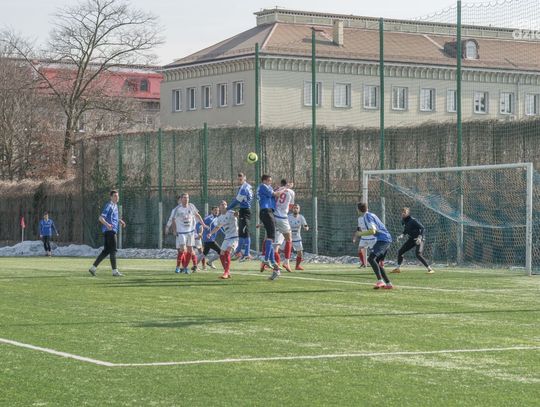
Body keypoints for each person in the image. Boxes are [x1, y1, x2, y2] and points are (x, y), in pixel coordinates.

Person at [165, 193, 207, 274]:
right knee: (182, 249)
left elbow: (197, 215)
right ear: (181, 199)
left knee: (190, 250)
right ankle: (178, 267)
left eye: (187, 197)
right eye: (184, 197)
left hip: (191, 232)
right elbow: (173, 219)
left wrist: (203, 225)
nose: (186, 199)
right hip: (181, 232)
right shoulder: (177, 209)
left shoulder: (191, 206)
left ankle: (185, 267)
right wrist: (174, 230)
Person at [355, 202, 394, 289]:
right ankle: (388, 284)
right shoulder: (371, 215)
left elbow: (373, 231)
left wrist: (360, 234)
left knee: (371, 259)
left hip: (383, 240)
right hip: (385, 239)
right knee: (376, 261)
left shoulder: (367, 216)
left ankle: (380, 281)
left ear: (358, 209)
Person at [88, 190, 126, 277]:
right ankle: (115, 271)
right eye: (115, 196)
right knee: (113, 250)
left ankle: (93, 268)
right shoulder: (109, 205)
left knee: (106, 251)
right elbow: (101, 218)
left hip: (108, 231)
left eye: (117, 196)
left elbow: (112, 218)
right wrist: (107, 224)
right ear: (111, 197)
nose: (117, 197)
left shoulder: (115, 206)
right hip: (110, 231)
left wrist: (120, 221)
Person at [392, 207, 434, 274]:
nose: (403, 213)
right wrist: (402, 235)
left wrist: (420, 237)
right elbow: (406, 230)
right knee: (400, 251)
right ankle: (397, 269)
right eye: (402, 212)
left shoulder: (413, 220)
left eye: (404, 212)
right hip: (411, 239)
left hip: (419, 239)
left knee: (418, 254)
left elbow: (422, 228)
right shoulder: (403, 221)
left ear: (408, 213)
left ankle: (430, 269)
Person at [257, 174, 283, 280]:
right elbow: (275, 194)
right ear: (264, 180)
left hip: (267, 213)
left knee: (270, 239)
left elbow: (273, 193)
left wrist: (277, 189)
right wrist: (286, 188)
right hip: (267, 212)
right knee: (271, 238)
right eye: (269, 180)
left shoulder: (266, 188)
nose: (270, 182)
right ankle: (267, 259)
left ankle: (272, 261)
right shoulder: (263, 186)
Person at [227, 173, 253, 261]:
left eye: (241, 179)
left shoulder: (244, 188)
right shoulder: (247, 186)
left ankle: (247, 254)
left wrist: (227, 208)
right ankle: (238, 252)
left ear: (245, 178)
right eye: (238, 179)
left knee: (246, 233)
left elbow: (237, 201)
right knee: (241, 233)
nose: (239, 181)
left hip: (245, 211)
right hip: (243, 210)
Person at [209, 200, 238, 279]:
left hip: (234, 237)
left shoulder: (231, 213)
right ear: (220, 207)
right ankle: (227, 272)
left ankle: (226, 272)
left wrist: (237, 213)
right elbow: (218, 227)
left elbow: (236, 214)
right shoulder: (220, 218)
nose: (224, 205)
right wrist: (210, 233)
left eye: (225, 204)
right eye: (222, 204)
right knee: (221, 254)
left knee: (227, 252)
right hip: (227, 237)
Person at [274, 179, 295, 272]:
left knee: (271, 240)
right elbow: (291, 206)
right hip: (282, 217)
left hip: (273, 215)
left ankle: (266, 260)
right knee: (289, 239)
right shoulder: (291, 192)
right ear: (289, 183)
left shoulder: (277, 189)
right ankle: (286, 262)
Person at [288, 204, 309, 270]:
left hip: (297, 237)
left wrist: (306, 228)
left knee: (300, 253)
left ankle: (297, 266)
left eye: (297, 208)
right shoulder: (288, 217)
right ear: (292, 209)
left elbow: (305, 225)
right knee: (279, 250)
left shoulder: (301, 217)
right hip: (288, 237)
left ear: (299, 210)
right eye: (294, 208)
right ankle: (271, 263)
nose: (295, 209)